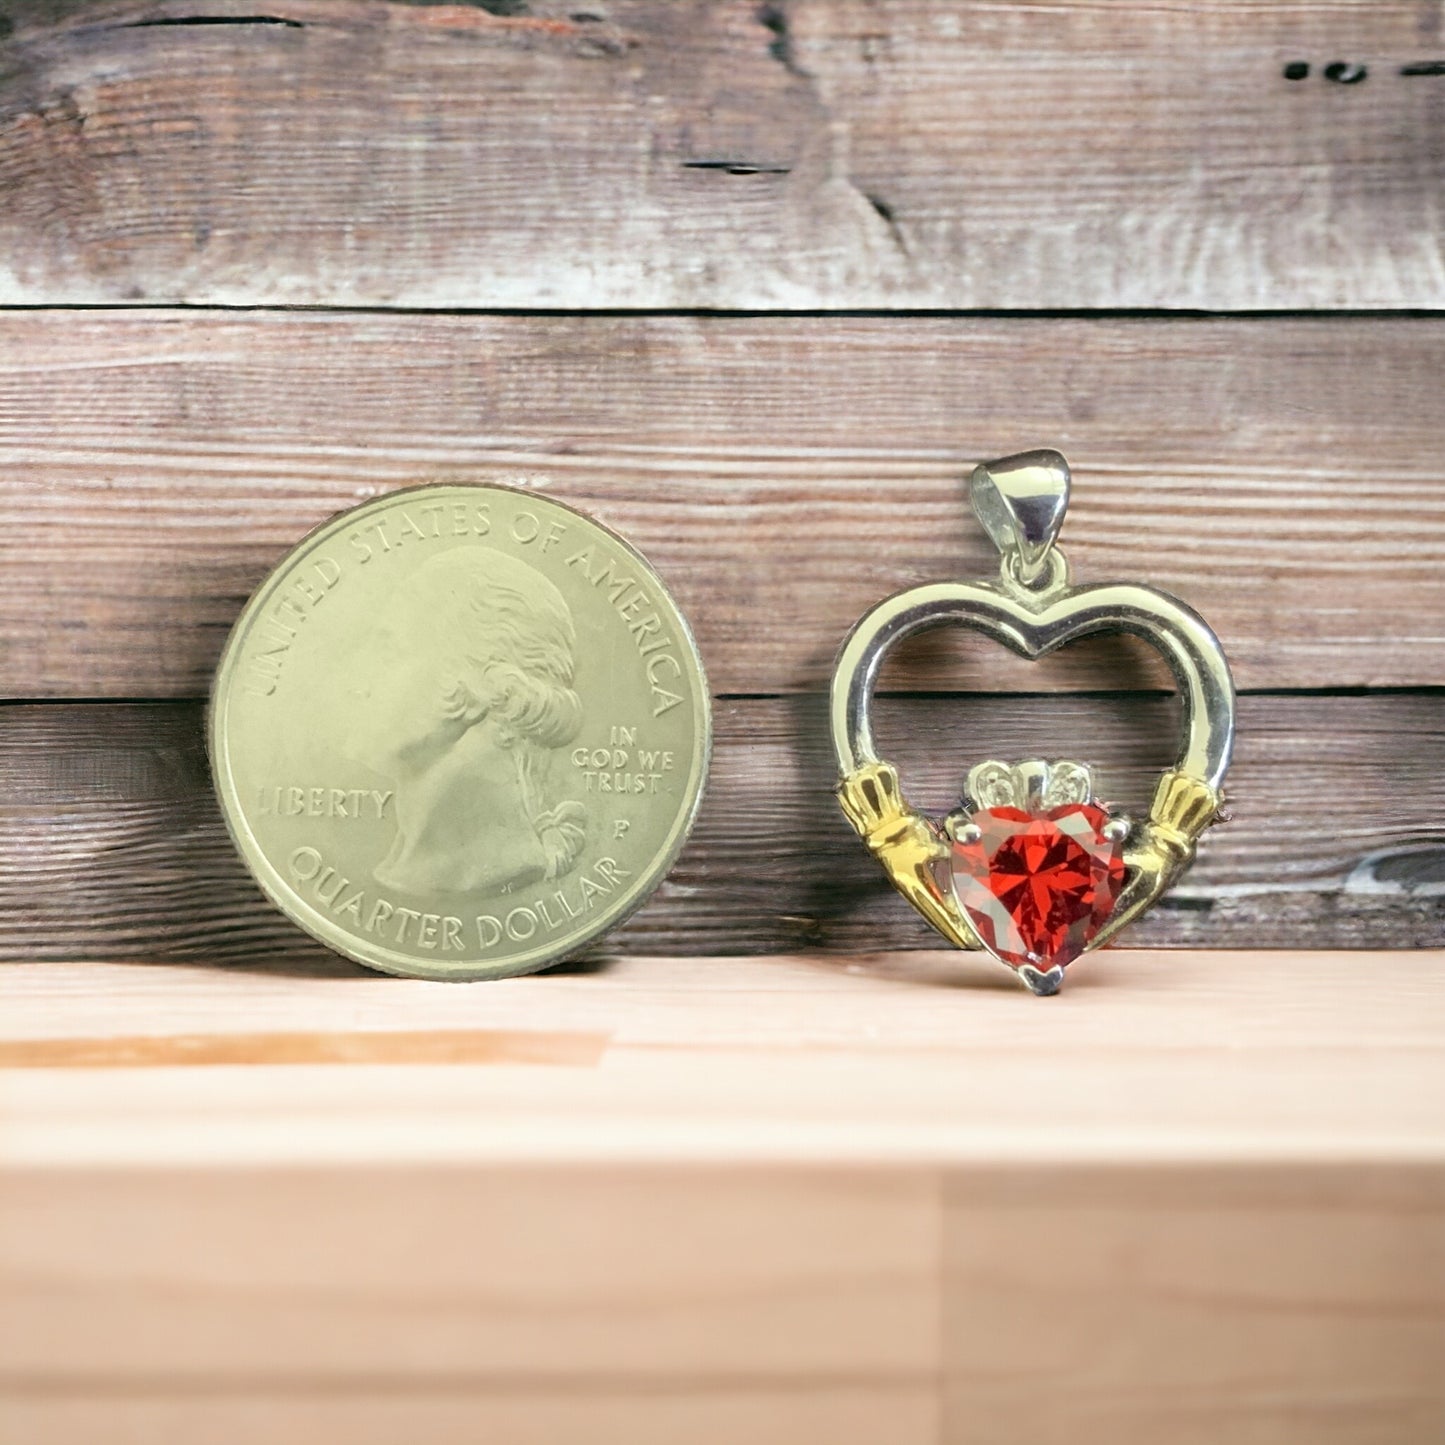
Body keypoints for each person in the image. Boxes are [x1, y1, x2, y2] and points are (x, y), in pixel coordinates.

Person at [340, 546, 587, 895]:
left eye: (389, 650)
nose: (356, 681)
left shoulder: (487, 874)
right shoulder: (410, 868)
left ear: (477, 688)